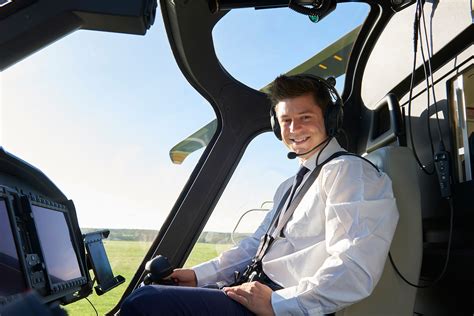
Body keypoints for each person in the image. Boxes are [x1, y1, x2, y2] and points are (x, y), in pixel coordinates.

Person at [120, 74, 399, 315]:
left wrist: (278, 304)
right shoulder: (290, 186)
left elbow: (354, 267)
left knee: (147, 303)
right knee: (153, 293)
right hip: (256, 294)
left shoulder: (348, 173)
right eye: (285, 120)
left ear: (329, 119)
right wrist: (198, 276)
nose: (294, 129)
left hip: (284, 305)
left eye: (305, 118)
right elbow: (255, 247)